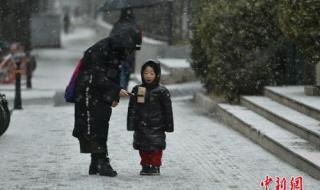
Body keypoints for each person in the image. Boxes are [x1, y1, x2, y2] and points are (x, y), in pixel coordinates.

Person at [72, 22, 142, 177]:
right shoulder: (102, 50)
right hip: (89, 92)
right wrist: (116, 90)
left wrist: (114, 95)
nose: (130, 53)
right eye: (130, 49)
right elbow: (97, 77)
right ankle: (101, 162)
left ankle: (97, 162)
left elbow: (112, 74)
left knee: (101, 124)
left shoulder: (115, 50)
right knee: (96, 126)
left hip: (98, 93)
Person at [127, 60, 174, 176]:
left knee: (156, 147)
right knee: (142, 147)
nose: (148, 76)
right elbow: (132, 108)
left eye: (151, 73)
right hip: (141, 125)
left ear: (157, 75)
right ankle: (145, 165)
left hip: (157, 125)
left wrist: (169, 126)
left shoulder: (162, 91)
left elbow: (168, 111)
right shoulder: (137, 89)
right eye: (146, 73)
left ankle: (155, 165)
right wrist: (131, 124)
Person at [110, 8, 139, 90]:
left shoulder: (117, 24)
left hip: (118, 50)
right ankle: (124, 85)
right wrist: (135, 48)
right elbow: (138, 40)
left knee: (120, 67)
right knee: (127, 68)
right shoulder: (134, 25)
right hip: (129, 50)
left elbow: (111, 37)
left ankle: (120, 85)